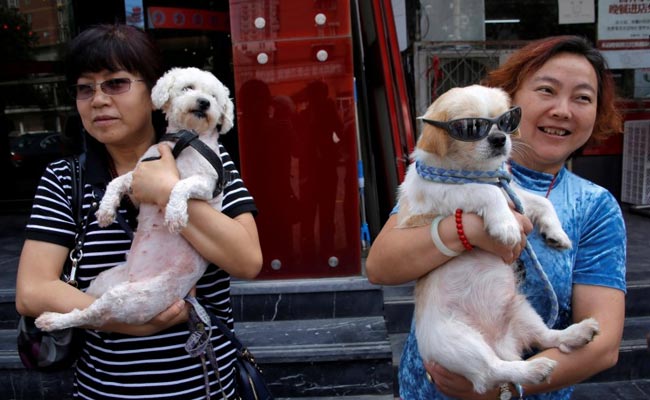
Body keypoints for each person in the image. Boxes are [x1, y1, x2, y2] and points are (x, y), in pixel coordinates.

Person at [366, 35, 626, 400]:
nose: (563, 110)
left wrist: (507, 389)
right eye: (547, 90)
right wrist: (465, 229)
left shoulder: (595, 205)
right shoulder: (448, 171)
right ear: (513, 97)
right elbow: (380, 267)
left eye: (583, 98)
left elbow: (603, 346)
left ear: (597, 113)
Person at [15, 24, 262, 399]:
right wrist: (128, 320)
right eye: (85, 88)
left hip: (206, 390)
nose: (97, 99)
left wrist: (165, 190)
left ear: (154, 94)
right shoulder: (65, 179)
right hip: (106, 391)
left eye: (115, 83)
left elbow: (247, 261)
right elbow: (32, 291)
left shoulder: (211, 161)